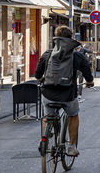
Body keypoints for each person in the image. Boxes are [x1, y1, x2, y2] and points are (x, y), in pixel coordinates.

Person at [35, 25, 94, 157]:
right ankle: (71, 146)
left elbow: (37, 74)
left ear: (55, 38)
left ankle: (44, 138)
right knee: (73, 115)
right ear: (71, 39)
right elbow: (88, 74)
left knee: (47, 116)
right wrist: (89, 82)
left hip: (48, 94)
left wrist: (41, 78)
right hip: (68, 95)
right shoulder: (77, 56)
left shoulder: (47, 54)